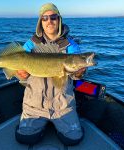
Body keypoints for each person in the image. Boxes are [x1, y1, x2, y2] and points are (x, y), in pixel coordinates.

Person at [15, 3, 86, 146]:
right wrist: (20, 74)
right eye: (45, 18)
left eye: (53, 17)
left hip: (62, 106)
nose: (49, 21)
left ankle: (62, 123)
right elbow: (20, 70)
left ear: (59, 19)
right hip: (34, 105)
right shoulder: (30, 45)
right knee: (25, 138)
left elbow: (75, 74)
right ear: (40, 22)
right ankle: (40, 124)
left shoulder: (71, 46)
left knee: (73, 139)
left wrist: (79, 73)